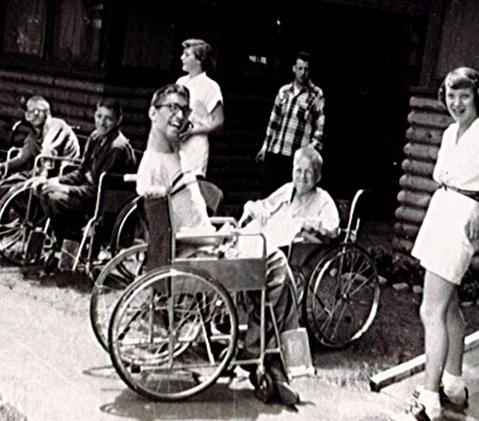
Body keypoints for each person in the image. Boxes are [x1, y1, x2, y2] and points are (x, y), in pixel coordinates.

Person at [136, 83, 300, 407]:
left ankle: (266, 355)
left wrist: (219, 229)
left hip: (204, 244)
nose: (180, 115)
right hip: (199, 253)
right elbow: (177, 232)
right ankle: (266, 357)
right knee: (276, 264)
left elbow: (188, 218)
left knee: (270, 265)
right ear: (153, 112)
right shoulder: (159, 165)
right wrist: (221, 236)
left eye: (184, 109)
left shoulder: (170, 156)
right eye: (171, 107)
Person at [405, 67, 479, 421]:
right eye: (451, 95)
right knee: (449, 307)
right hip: (442, 211)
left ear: (477, 97)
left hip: (459, 220)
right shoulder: (450, 133)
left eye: (464, 96)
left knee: (430, 311)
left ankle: (429, 399)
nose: (457, 103)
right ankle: (454, 386)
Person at [0, 95, 80, 257]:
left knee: (19, 187)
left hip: (60, 174)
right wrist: (1, 167)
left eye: (37, 111)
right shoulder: (34, 134)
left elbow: (48, 151)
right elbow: (22, 157)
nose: (32, 116)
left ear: (46, 112)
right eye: (29, 112)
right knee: (2, 186)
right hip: (40, 171)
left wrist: (42, 176)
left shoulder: (56, 125)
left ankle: (19, 231)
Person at [36, 98, 136, 240]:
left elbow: (98, 189)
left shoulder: (117, 148)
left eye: (108, 119)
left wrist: (65, 189)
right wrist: (57, 181)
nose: (102, 122)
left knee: (56, 199)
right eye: (99, 116)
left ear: (118, 121)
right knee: (45, 191)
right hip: (88, 193)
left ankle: (73, 239)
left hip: (105, 202)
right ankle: (63, 239)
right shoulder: (95, 137)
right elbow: (81, 172)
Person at [241, 145, 340, 250]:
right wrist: (256, 208)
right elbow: (263, 205)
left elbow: (333, 230)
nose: (302, 177)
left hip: (300, 252)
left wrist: (308, 224)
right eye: (298, 170)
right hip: (274, 245)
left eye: (309, 172)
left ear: (318, 176)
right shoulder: (289, 189)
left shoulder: (323, 198)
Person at [256, 51, 325, 196]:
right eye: (300, 68)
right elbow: (273, 121)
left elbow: (320, 127)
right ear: (294, 68)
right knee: (270, 194)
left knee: (292, 195)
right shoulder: (284, 91)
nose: (303, 73)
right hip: (277, 150)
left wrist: (310, 150)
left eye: (306, 69)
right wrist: (265, 147)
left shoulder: (316, 94)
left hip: (296, 156)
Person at [175, 38, 223, 178]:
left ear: (199, 60)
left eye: (187, 55)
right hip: (178, 144)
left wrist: (193, 131)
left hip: (195, 146)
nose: (182, 58)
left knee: (191, 185)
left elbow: (218, 121)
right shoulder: (181, 82)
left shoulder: (210, 86)